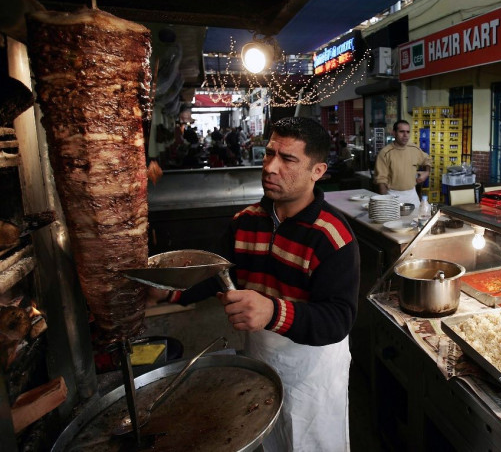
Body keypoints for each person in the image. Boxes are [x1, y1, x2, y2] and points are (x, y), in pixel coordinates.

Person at [169, 117, 360, 451]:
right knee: (269, 438)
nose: (270, 167)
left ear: (317, 171)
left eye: (287, 160)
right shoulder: (246, 222)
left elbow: (338, 319)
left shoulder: (332, 236)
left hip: (312, 366)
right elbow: (217, 273)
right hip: (261, 353)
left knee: (310, 442)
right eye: (269, 153)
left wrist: (273, 311)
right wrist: (168, 289)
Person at [373, 120, 431, 208]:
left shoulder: (414, 149)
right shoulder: (385, 153)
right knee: (394, 222)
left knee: (417, 220)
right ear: (394, 133)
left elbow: (427, 159)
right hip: (393, 195)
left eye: (408, 132)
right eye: (401, 132)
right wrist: (385, 201)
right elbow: (381, 180)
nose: (405, 135)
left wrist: (427, 172)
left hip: (412, 194)